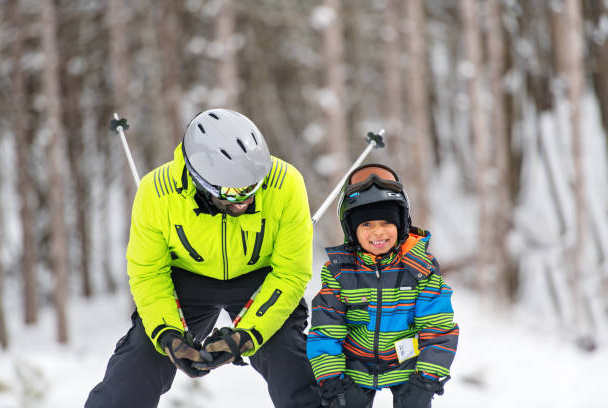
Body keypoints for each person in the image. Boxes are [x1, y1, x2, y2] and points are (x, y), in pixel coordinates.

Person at [86, 108, 321, 407]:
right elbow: (148, 274)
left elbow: (290, 273)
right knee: (137, 365)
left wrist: (246, 336)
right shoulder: (156, 193)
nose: (248, 197)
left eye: (254, 183)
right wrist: (167, 334)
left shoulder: (285, 183)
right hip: (186, 281)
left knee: (289, 361)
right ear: (202, 179)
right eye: (236, 190)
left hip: (261, 279)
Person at [307, 163, 459, 408]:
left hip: (408, 366)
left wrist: (427, 379)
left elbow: (437, 327)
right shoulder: (340, 273)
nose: (378, 232)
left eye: (386, 223)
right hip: (354, 366)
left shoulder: (419, 268)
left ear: (400, 225)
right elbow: (326, 329)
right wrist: (331, 379)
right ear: (351, 230)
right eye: (366, 225)